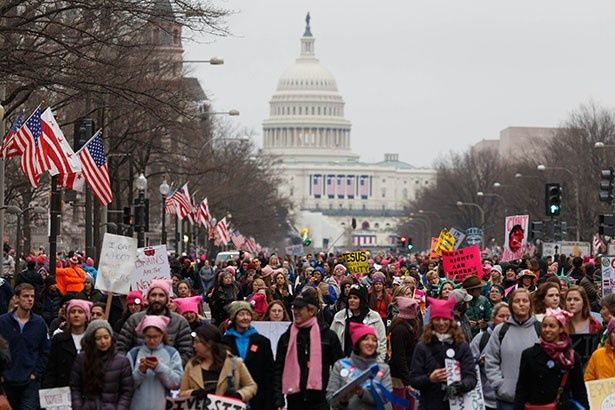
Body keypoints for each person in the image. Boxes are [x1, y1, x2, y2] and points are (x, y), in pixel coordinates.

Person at [273, 288, 343, 410]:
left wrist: (336, 394)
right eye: (294, 308)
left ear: (311, 311)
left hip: (321, 401)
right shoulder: (286, 337)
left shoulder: (328, 336)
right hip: (294, 401)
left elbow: (339, 366)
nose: (296, 312)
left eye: (300, 308)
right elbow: (279, 368)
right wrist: (278, 398)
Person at [409, 297, 477, 410]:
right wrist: (430, 378)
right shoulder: (422, 347)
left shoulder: (461, 345)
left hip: (457, 404)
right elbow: (414, 379)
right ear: (431, 322)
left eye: (445, 319)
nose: (441, 323)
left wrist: (460, 385)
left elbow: (471, 377)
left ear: (451, 320)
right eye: (437, 319)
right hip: (429, 405)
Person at [514, 308, 589, 410]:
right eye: (544, 326)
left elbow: (579, 390)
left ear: (561, 329)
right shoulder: (529, 354)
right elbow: (521, 390)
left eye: (552, 326)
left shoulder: (570, 356)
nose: (547, 330)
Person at [484, 288, 541, 410]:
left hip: (534, 399)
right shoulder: (500, 330)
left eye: (525, 301)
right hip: (507, 399)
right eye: (517, 301)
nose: (521, 304)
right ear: (511, 305)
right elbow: (491, 359)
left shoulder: (540, 329)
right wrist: (500, 385)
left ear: (530, 304)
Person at [117, 280, 193, 364]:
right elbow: (121, 348)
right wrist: (133, 367)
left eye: (161, 295)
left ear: (167, 298)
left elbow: (186, 352)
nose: (157, 299)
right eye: (153, 295)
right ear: (148, 298)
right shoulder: (134, 320)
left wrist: (169, 369)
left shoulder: (180, 322)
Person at [0, 283, 50, 409]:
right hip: (7, 381)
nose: (30, 299)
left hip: (30, 382)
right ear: (16, 298)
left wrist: (36, 373)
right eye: (25, 296)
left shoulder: (39, 323)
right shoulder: (3, 322)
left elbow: (45, 350)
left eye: (32, 296)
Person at [179, 324, 257, 402]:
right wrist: (193, 393)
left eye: (197, 342)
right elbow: (182, 393)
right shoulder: (192, 365)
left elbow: (251, 386)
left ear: (209, 344)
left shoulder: (234, 363)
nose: (194, 346)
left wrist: (239, 395)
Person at [326, 322, 395, 409]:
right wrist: (343, 400)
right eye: (366, 339)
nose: (370, 343)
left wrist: (362, 393)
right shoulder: (340, 366)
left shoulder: (383, 368)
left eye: (374, 340)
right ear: (357, 342)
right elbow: (330, 398)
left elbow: (386, 397)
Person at [70, 320, 134, 409]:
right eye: (98, 338)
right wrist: (78, 407)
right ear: (91, 340)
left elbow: (127, 391)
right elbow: (75, 388)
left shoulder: (122, 361)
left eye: (106, 337)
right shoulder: (81, 359)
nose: (103, 341)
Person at [223, 301, 275, 410]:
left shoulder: (262, 342)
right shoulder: (224, 342)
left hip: (258, 396)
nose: (245, 318)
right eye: (241, 314)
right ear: (234, 317)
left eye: (248, 314)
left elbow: (270, 372)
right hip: (231, 395)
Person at [127, 315, 183, 410]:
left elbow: (177, 383)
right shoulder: (133, 354)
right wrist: (140, 372)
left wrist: (159, 367)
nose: (152, 341)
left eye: (156, 337)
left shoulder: (172, 353)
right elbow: (126, 386)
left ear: (162, 335)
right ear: (143, 335)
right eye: (148, 337)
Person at [43, 299, 92, 388]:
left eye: (80, 312)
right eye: (73, 312)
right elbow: (51, 368)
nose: (76, 315)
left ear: (86, 317)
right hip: (63, 390)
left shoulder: (92, 340)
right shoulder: (59, 339)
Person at [331, 284, 387, 361]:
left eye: (355, 298)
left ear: (362, 300)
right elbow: (332, 341)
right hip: (345, 364)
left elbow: (382, 342)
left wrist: (378, 363)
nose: (351, 300)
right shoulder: (339, 317)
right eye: (350, 298)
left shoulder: (374, 317)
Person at [470, 303, 510, 410]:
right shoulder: (481, 338)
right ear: (493, 318)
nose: (505, 320)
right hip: (485, 400)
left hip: (509, 398)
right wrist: (479, 362)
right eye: (501, 316)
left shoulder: (517, 338)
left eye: (509, 317)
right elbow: (468, 364)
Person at [388, 296, 420, 410]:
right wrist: (407, 379)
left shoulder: (408, 327)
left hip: (407, 374)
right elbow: (399, 357)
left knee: (410, 405)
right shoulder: (400, 330)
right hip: (399, 376)